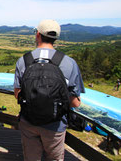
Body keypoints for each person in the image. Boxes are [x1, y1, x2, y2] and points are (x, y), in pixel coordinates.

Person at [13, 19, 85, 161]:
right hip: (55, 124)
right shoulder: (68, 62)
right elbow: (75, 103)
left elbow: (17, 95)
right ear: (56, 38)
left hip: (28, 121)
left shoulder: (24, 60)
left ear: (37, 35)